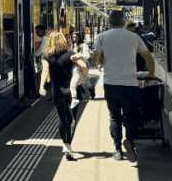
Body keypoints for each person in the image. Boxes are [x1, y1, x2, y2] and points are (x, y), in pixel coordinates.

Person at [93, 9, 155, 163]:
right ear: (124, 22)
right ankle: (131, 142)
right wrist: (151, 73)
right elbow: (147, 56)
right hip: (130, 84)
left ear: (109, 22)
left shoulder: (102, 37)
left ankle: (118, 150)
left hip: (110, 84)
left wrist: (104, 62)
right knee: (131, 116)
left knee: (114, 117)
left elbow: (95, 58)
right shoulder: (134, 37)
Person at [43, 32, 86, 161]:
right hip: (72, 90)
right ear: (63, 41)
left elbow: (45, 71)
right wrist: (82, 80)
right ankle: (68, 145)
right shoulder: (71, 53)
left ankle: (64, 144)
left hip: (57, 90)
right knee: (72, 119)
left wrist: (41, 86)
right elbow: (83, 66)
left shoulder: (46, 56)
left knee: (62, 117)